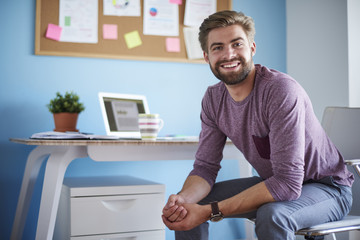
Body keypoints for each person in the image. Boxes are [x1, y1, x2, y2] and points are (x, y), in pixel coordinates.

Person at [161, 10, 354, 240]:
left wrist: (210, 212)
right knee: (191, 204)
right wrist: (183, 200)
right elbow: (204, 168)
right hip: (275, 183)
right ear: (207, 57)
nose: (229, 54)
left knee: (272, 215)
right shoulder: (213, 100)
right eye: (218, 47)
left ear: (252, 48)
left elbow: (288, 184)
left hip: (328, 189)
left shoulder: (280, 91)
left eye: (237, 44)